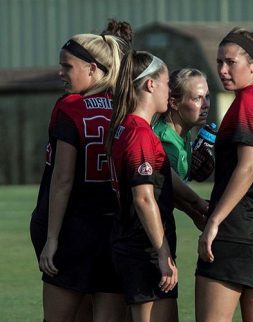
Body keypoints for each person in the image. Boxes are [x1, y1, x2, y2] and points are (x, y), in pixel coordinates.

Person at [29, 33, 126, 322]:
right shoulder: (124, 109)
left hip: (73, 228)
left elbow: (62, 180)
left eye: (68, 66)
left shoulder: (69, 107)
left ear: (93, 68)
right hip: (114, 229)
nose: (61, 72)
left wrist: (52, 238)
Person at [196, 27, 253, 322]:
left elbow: (248, 167)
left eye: (230, 62)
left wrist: (215, 221)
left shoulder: (248, 100)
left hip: (236, 228)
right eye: (219, 61)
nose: (222, 69)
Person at [106, 50, 178, 322]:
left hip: (133, 242)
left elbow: (161, 178)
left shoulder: (126, 127)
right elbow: (144, 198)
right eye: (167, 82)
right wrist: (163, 254)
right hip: (144, 247)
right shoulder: (138, 133)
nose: (168, 90)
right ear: (151, 84)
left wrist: (197, 205)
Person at [152, 68, 212, 230]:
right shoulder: (164, 139)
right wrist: (199, 206)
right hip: (147, 230)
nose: (206, 105)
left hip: (162, 221)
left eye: (207, 97)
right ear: (174, 103)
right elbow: (167, 184)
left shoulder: (184, 134)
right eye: (197, 98)